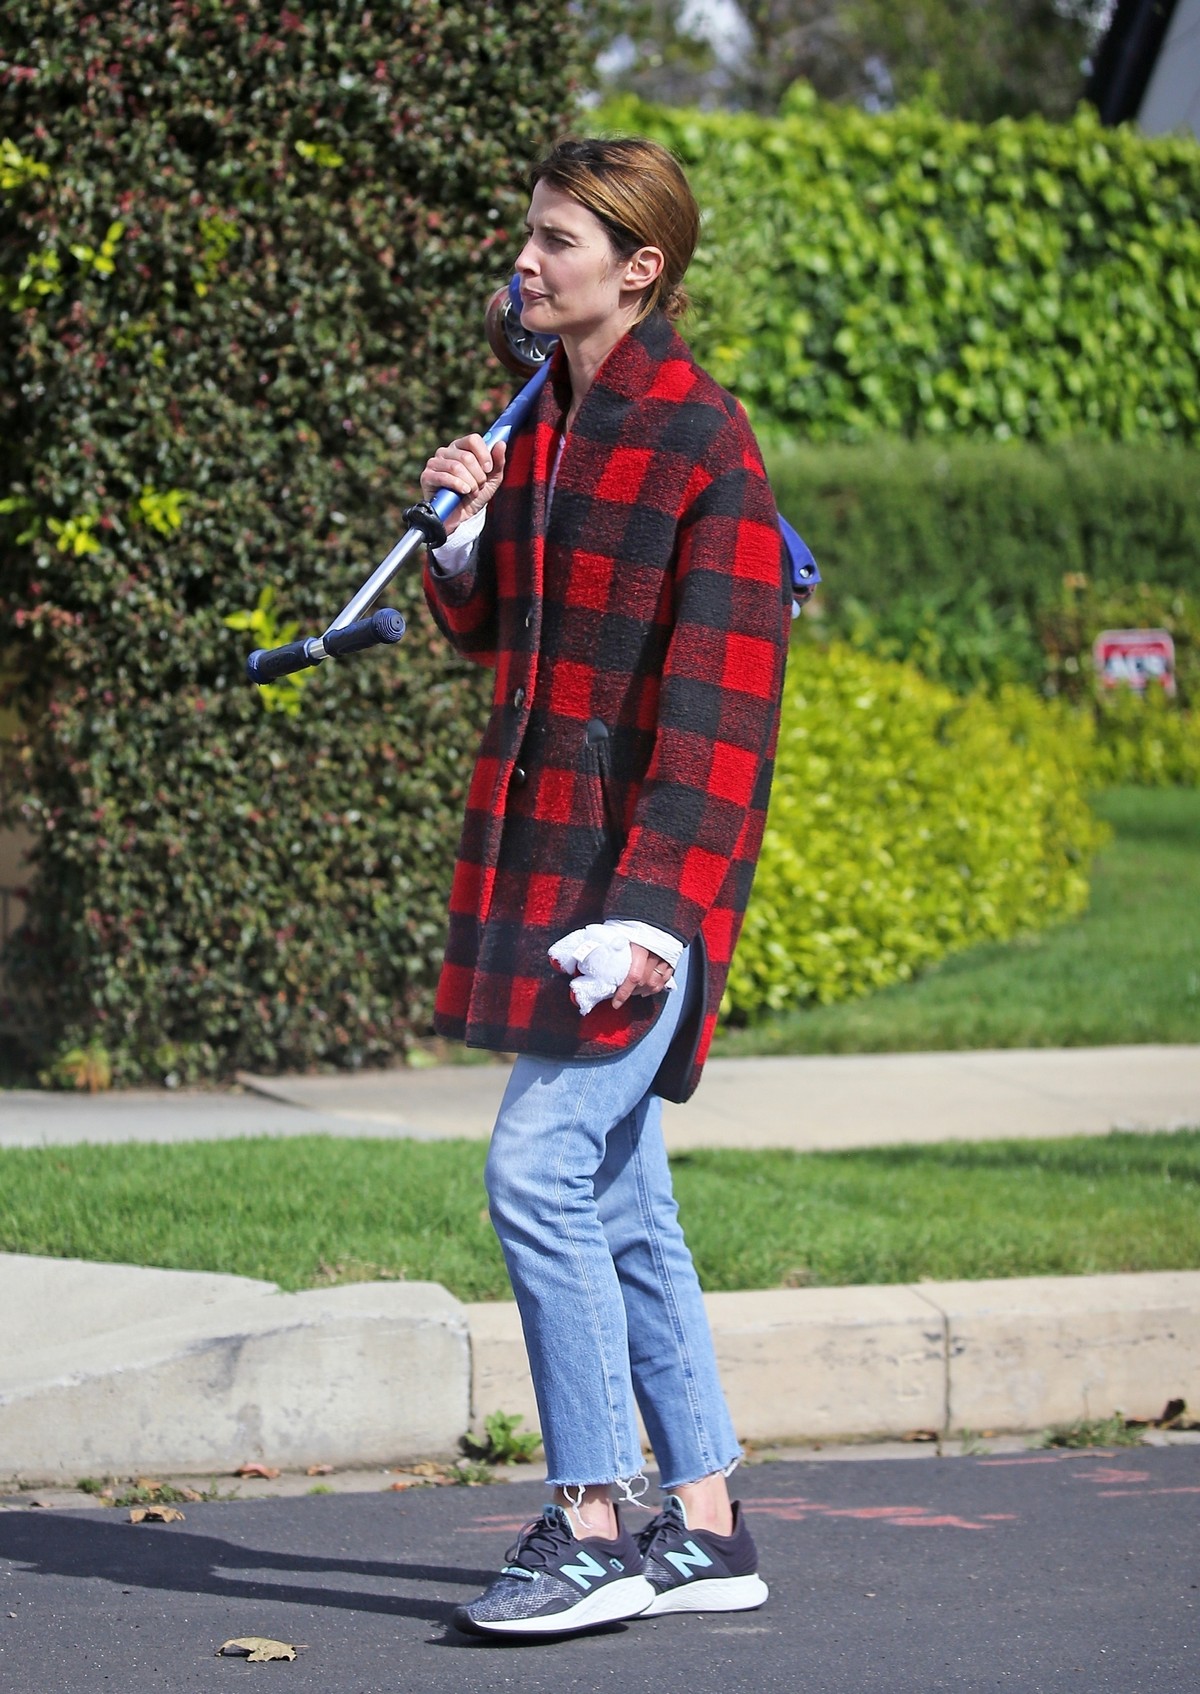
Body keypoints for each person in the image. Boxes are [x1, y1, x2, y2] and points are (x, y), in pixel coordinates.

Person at [420, 136, 791, 1638]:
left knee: (536, 1169)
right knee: (624, 1197)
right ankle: (700, 1521)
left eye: (559, 241)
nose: (528, 261)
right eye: (529, 236)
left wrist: (653, 918)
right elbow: (507, 627)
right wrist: (462, 530)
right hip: (554, 875)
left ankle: (592, 1522)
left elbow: (720, 718)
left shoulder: (704, 441)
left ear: (640, 268)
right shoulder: (554, 421)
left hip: (641, 898)